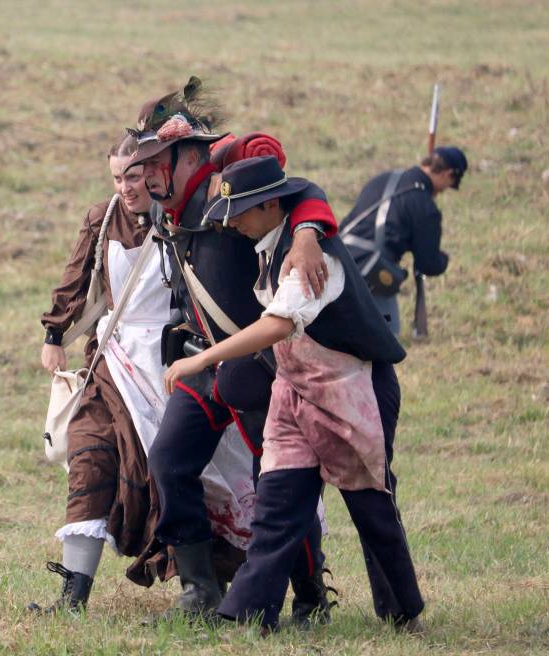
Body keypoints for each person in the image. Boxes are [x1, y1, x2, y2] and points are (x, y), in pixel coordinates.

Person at [165, 155, 424, 633]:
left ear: (268, 207)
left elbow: (279, 323)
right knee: (277, 505)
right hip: (295, 392)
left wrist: (202, 359)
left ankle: (402, 612)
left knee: (370, 507)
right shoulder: (273, 242)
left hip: (354, 389)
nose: (232, 223)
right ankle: (249, 614)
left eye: (240, 211)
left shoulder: (312, 257)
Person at [123, 79, 339, 623]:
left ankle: (312, 595)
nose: (146, 174)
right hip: (203, 360)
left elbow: (302, 190)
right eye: (141, 162)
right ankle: (200, 588)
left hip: (259, 366)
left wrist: (309, 233)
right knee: (169, 462)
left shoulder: (232, 184)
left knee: (278, 486)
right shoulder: (160, 208)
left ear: (189, 155)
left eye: (155, 161)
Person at [29, 135, 256, 614]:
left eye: (133, 176)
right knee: (89, 458)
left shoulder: (181, 215)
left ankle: (210, 584)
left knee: (178, 473)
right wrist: (54, 334)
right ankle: (72, 597)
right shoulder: (102, 216)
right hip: (112, 359)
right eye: (117, 177)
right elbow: (75, 276)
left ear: (155, 173)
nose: (126, 187)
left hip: (171, 361)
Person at [340, 146, 467, 334]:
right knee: (387, 340)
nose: (444, 191)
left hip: (338, 259)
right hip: (372, 275)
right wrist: (444, 260)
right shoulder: (425, 206)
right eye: (450, 184)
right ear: (448, 174)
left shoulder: (382, 179)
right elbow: (429, 264)